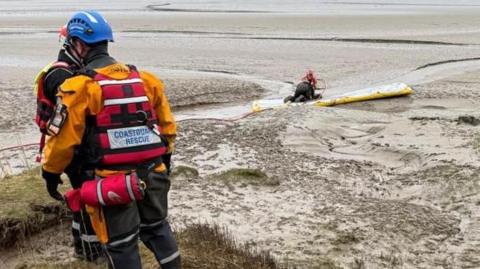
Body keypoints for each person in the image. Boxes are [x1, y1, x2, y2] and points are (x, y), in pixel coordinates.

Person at [41, 10, 180, 269]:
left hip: (113, 182)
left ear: (79, 44)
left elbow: (63, 141)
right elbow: (167, 128)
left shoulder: (80, 87)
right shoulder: (146, 80)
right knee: (158, 230)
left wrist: (50, 172)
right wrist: (166, 160)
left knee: (121, 244)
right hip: (155, 172)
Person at [34, 25, 102, 261]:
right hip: (75, 152)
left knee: (81, 200)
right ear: (75, 44)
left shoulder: (65, 70)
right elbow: (65, 128)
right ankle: (92, 254)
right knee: (90, 204)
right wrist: (50, 171)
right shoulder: (62, 76)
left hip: (72, 150)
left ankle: (82, 248)